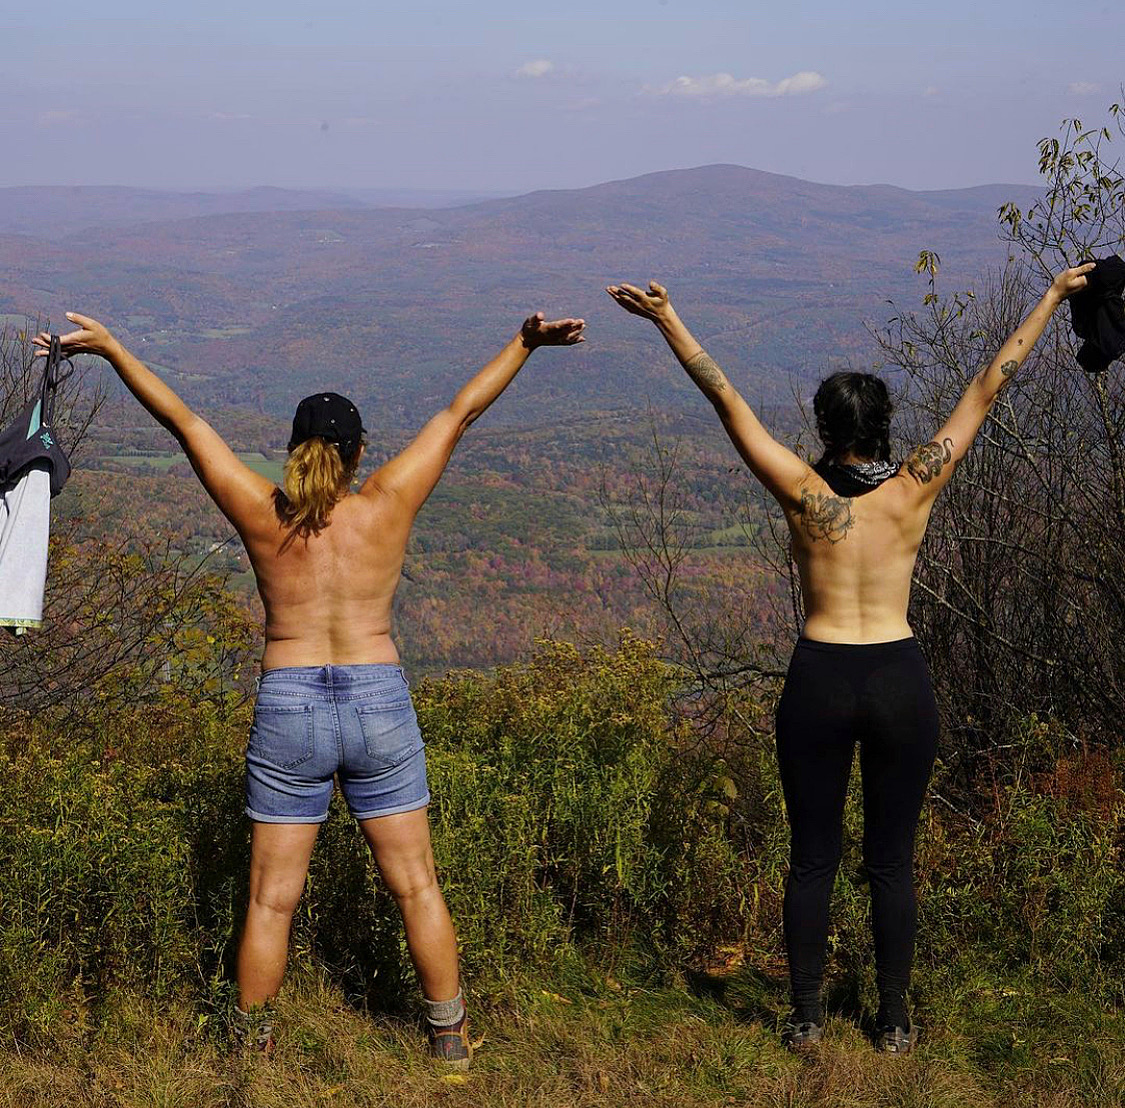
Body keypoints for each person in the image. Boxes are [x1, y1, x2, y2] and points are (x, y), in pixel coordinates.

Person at [36, 308, 586, 1068]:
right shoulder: (386, 503)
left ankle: (252, 1054)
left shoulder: (264, 515)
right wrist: (524, 343)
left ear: (293, 452)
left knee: (271, 899)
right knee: (417, 886)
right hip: (378, 699)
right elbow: (459, 413)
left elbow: (185, 423)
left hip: (289, 703)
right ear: (359, 453)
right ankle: (450, 1041)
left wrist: (113, 349)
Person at [606, 265, 1094, 1054]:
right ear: (884, 426)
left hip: (821, 678)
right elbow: (986, 388)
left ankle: (805, 1017)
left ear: (825, 426)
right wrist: (1050, 297)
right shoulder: (913, 488)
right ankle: (892, 1020)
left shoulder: (802, 490)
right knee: (890, 862)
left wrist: (667, 318)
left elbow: (724, 398)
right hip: (897, 678)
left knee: (812, 859)